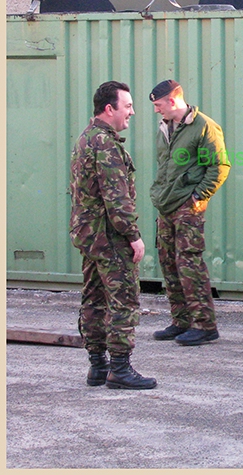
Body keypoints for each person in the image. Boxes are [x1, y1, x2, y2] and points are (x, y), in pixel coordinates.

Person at [69, 81, 156, 389]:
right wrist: (133, 236)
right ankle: (119, 368)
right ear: (110, 109)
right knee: (123, 301)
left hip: (89, 236)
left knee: (93, 299)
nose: (132, 111)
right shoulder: (105, 145)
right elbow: (116, 198)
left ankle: (97, 366)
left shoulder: (85, 139)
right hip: (109, 238)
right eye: (127, 106)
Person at [149, 80, 230, 346]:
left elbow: (219, 166)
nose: (156, 111)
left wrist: (197, 198)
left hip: (187, 207)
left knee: (189, 264)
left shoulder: (203, 126)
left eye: (158, 105)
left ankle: (204, 325)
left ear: (173, 101)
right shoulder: (165, 128)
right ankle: (181, 321)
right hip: (167, 205)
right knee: (169, 263)